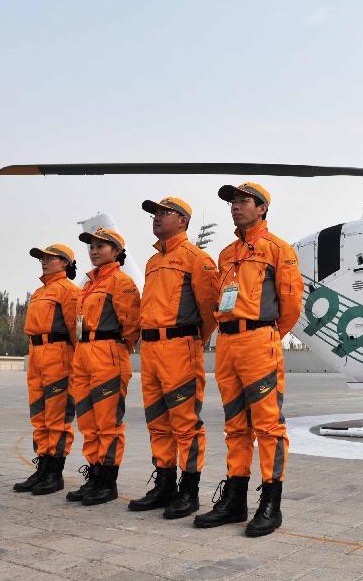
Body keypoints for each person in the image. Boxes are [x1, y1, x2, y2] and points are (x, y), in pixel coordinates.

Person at [194, 182, 303, 537]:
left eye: (244, 201)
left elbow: (291, 307)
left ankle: (271, 504)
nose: (236, 207)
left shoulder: (278, 250)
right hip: (226, 344)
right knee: (235, 425)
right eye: (233, 202)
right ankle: (235, 499)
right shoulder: (226, 253)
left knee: (268, 426)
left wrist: (267, 335)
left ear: (262, 209)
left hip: (259, 341)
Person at [128, 196, 217, 519]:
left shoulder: (197, 258)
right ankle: (164, 484)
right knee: (158, 423)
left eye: (165, 213)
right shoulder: (153, 262)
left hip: (180, 348)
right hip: (150, 350)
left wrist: (191, 340)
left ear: (183, 221)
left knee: (185, 424)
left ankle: (188, 491)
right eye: (154, 213)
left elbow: (209, 310)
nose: (157, 218)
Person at [66, 228, 140, 506]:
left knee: (108, 422)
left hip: (108, 352)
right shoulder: (88, 285)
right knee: (88, 421)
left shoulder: (122, 282)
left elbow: (131, 324)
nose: (94, 250)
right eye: (91, 246)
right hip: (84, 354)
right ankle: (94, 475)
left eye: (102, 246)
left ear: (117, 251)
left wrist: (115, 347)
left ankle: (107, 482)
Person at [14, 243, 80, 495]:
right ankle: (42, 468)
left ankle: (55, 473)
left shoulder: (68, 291)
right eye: (42, 258)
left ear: (65, 262)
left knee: (57, 417)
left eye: (50, 258)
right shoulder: (39, 292)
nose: (44, 261)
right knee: (39, 416)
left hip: (58, 354)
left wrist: (73, 360)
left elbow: (76, 329)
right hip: (37, 354)